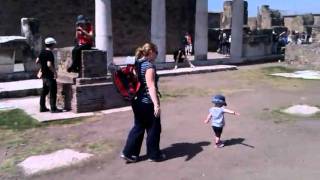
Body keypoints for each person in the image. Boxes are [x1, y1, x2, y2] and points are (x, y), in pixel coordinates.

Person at [121, 42, 165, 163]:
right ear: (150, 52)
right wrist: (156, 104)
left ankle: (130, 153)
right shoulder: (148, 66)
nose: (157, 55)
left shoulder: (136, 63)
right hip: (147, 102)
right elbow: (151, 86)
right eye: (156, 52)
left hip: (137, 102)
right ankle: (153, 154)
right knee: (154, 128)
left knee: (139, 127)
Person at [36, 37, 62, 113]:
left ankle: (42, 107)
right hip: (49, 76)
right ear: (52, 44)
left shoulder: (42, 51)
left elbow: (37, 61)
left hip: (43, 76)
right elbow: (49, 64)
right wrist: (55, 72)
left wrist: (42, 66)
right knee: (53, 92)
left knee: (44, 92)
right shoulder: (49, 53)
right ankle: (53, 108)